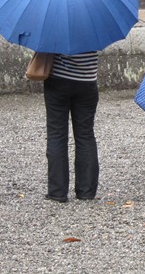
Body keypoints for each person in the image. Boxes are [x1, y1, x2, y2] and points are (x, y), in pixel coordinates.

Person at [43, 51, 100, 202]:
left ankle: (57, 191)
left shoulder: (54, 26)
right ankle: (86, 191)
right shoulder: (93, 27)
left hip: (57, 80)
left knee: (56, 135)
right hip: (87, 81)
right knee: (85, 135)